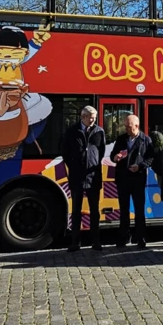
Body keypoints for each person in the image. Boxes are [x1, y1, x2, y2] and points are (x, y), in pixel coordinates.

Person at [62, 106, 107, 251]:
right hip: (77, 177)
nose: (93, 120)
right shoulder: (72, 132)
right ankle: (75, 242)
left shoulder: (99, 131)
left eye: (94, 117)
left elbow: (101, 151)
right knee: (76, 210)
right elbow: (65, 153)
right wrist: (76, 165)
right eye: (90, 117)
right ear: (83, 117)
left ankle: (96, 241)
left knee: (95, 210)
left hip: (93, 177)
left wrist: (92, 162)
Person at [110, 114, 154, 248]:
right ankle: (123, 237)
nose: (126, 129)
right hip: (122, 178)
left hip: (137, 179)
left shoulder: (145, 140)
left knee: (139, 210)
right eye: (125, 126)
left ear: (136, 126)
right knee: (124, 210)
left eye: (128, 127)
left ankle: (140, 238)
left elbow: (150, 158)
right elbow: (113, 155)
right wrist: (115, 158)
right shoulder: (121, 139)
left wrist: (140, 166)